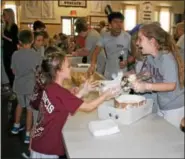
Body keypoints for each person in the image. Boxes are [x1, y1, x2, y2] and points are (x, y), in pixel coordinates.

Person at [30, 52, 119, 158]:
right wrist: (105, 95)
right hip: (47, 149)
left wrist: (82, 92)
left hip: (40, 142)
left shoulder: (51, 87)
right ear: (59, 71)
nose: (71, 68)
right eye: (68, 66)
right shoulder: (60, 92)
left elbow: (64, 104)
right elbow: (88, 107)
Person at [131, 23, 184, 128]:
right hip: (162, 104)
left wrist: (146, 86)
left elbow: (171, 85)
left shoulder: (166, 58)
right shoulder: (150, 57)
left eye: (140, 39)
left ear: (152, 41)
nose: (137, 43)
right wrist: (136, 78)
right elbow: (151, 73)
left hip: (175, 107)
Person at [11, 30, 42, 144]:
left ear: (19, 41)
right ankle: (28, 134)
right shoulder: (36, 55)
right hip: (30, 86)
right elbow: (38, 72)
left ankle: (16, 125)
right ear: (32, 40)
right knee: (29, 109)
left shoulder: (15, 54)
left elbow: (13, 71)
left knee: (19, 105)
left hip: (18, 86)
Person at [88, 12, 135, 80]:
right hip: (108, 73)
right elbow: (95, 52)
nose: (119, 25)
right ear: (110, 24)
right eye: (115, 22)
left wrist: (127, 62)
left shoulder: (127, 37)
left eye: (121, 22)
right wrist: (92, 65)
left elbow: (134, 55)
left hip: (122, 75)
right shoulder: (104, 36)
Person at [2, 8, 19, 87]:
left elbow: (14, 40)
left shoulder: (14, 27)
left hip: (11, 51)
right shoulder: (5, 26)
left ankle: (15, 89)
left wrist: (4, 36)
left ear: (9, 15)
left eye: (4, 14)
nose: (3, 16)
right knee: (7, 70)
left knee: (12, 71)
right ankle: (13, 88)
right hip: (6, 50)